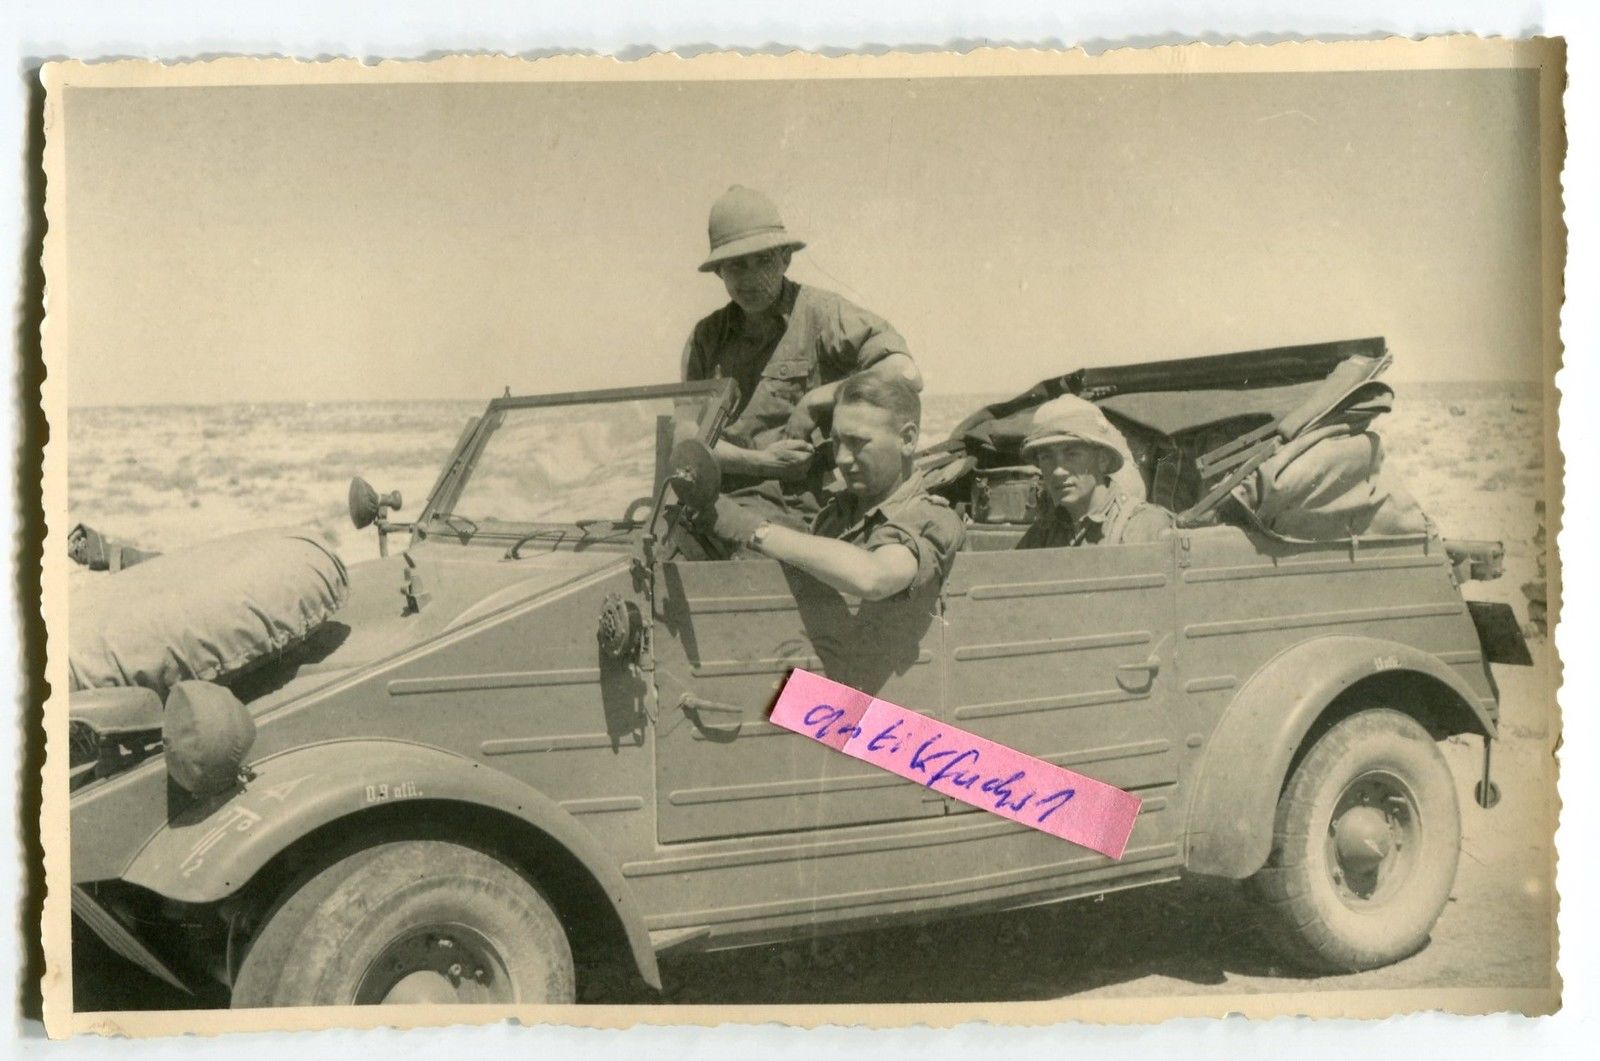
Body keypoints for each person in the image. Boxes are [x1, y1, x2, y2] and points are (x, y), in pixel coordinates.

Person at [682, 185, 922, 528]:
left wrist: (817, 399)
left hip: (800, 514)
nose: (751, 278)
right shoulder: (706, 337)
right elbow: (687, 442)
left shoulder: (822, 314)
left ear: (786, 258)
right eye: (736, 265)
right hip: (714, 506)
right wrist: (761, 462)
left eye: (764, 261)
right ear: (719, 271)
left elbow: (906, 372)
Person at [703, 374, 964, 602]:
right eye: (837, 442)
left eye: (857, 442)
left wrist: (755, 530)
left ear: (907, 439)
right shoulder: (834, 516)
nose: (842, 458)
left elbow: (874, 578)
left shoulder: (931, 517)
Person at [1016, 395, 1174, 549]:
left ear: (1102, 460)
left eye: (1072, 454)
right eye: (1046, 457)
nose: (1058, 471)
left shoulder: (1142, 526)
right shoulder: (1042, 534)